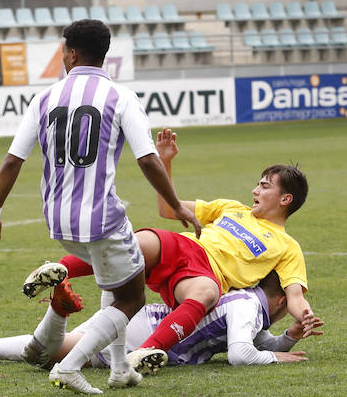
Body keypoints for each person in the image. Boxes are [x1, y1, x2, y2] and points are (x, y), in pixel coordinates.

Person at [0, 19, 202, 394]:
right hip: (101, 219)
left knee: (114, 278)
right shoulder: (120, 96)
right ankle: (70, 365)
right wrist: (177, 205)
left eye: (62, 50)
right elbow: (147, 159)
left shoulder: (45, 97)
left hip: (57, 220)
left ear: (72, 53)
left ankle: (119, 369)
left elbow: (12, 161)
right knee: (132, 297)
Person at [23, 128, 318, 375]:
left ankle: (147, 351)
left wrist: (304, 317)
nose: (255, 190)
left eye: (264, 187)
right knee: (132, 245)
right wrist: (165, 161)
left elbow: (294, 296)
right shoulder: (231, 208)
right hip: (182, 247)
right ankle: (57, 269)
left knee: (206, 293)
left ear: (285, 199)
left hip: (203, 275)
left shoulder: (287, 246)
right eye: (257, 184)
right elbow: (168, 209)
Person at [0, 271, 324, 368]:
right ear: (280, 299)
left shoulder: (248, 305)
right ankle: (57, 310)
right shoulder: (247, 306)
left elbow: (255, 343)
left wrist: (287, 340)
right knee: (47, 356)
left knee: (50, 352)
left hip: (146, 321)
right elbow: (242, 354)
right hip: (143, 333)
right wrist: (276, 358)